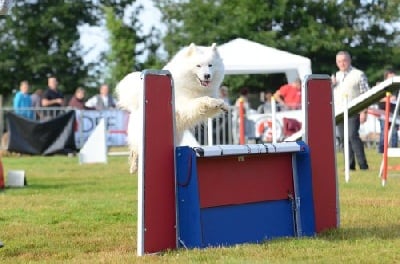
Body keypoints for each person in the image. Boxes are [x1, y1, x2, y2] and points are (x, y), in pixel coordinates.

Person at [332, 50, 369, 170]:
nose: (342, 63)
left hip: (354, 110)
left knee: (353, 136)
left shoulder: (359, 74)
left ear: (349, 60)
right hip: (339, 112)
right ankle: (350, 166)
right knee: (343, 139)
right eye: (339, 61)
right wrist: (331, 85)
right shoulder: (335, 76)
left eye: (344, 60)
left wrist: (364, 111)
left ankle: (363, 165)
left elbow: (366, 94)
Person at [377, 68, 398, 153]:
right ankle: (382, 150)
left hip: (394, 112)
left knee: (394, 131)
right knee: (384, 131)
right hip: (383, 112)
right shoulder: (382, 86)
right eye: (390, 77)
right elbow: (378, 98)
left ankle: (394, 149)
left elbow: (396, 98)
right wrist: (388, 98)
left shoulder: (397, 87)